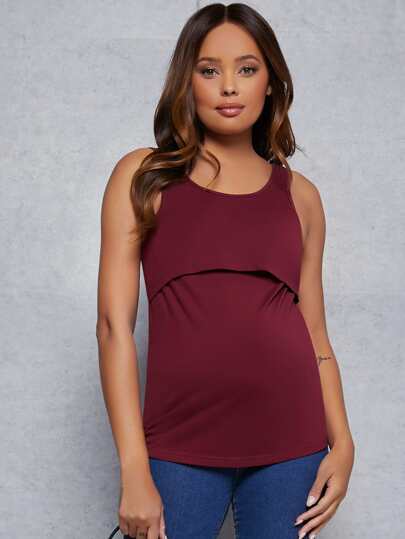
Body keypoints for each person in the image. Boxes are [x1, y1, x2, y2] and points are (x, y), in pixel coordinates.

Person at [96, 3, 355, 539]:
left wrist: (344, 441)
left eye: (247, 68)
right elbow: (113, 327)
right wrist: (134, 469)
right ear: (186, 80)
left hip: (292, 442)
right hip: (178, 442)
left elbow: (314, 332)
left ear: (270, 82)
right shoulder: (144, 176)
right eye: (209, 70)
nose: (229, 86)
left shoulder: (301, 197)